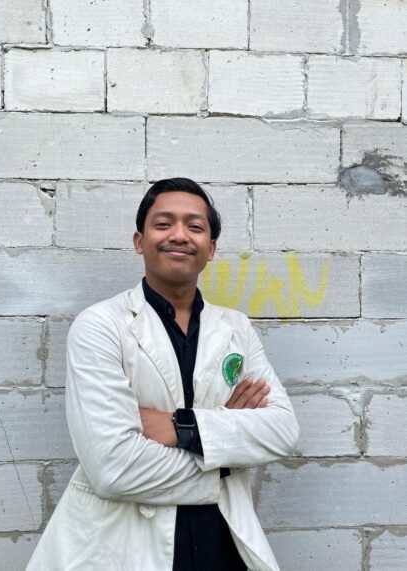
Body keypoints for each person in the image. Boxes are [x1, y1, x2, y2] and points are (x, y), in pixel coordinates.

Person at [27, 178, 300, 571]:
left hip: (221, 540)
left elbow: (283, 431)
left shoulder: (236, 328)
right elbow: (113, 468)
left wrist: (180, 427)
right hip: (124, 545)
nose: (179, 235)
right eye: (163, 223)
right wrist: (225, 458)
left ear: (211, 248)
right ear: (140, 241)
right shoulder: (101, 325)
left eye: (195, 226)